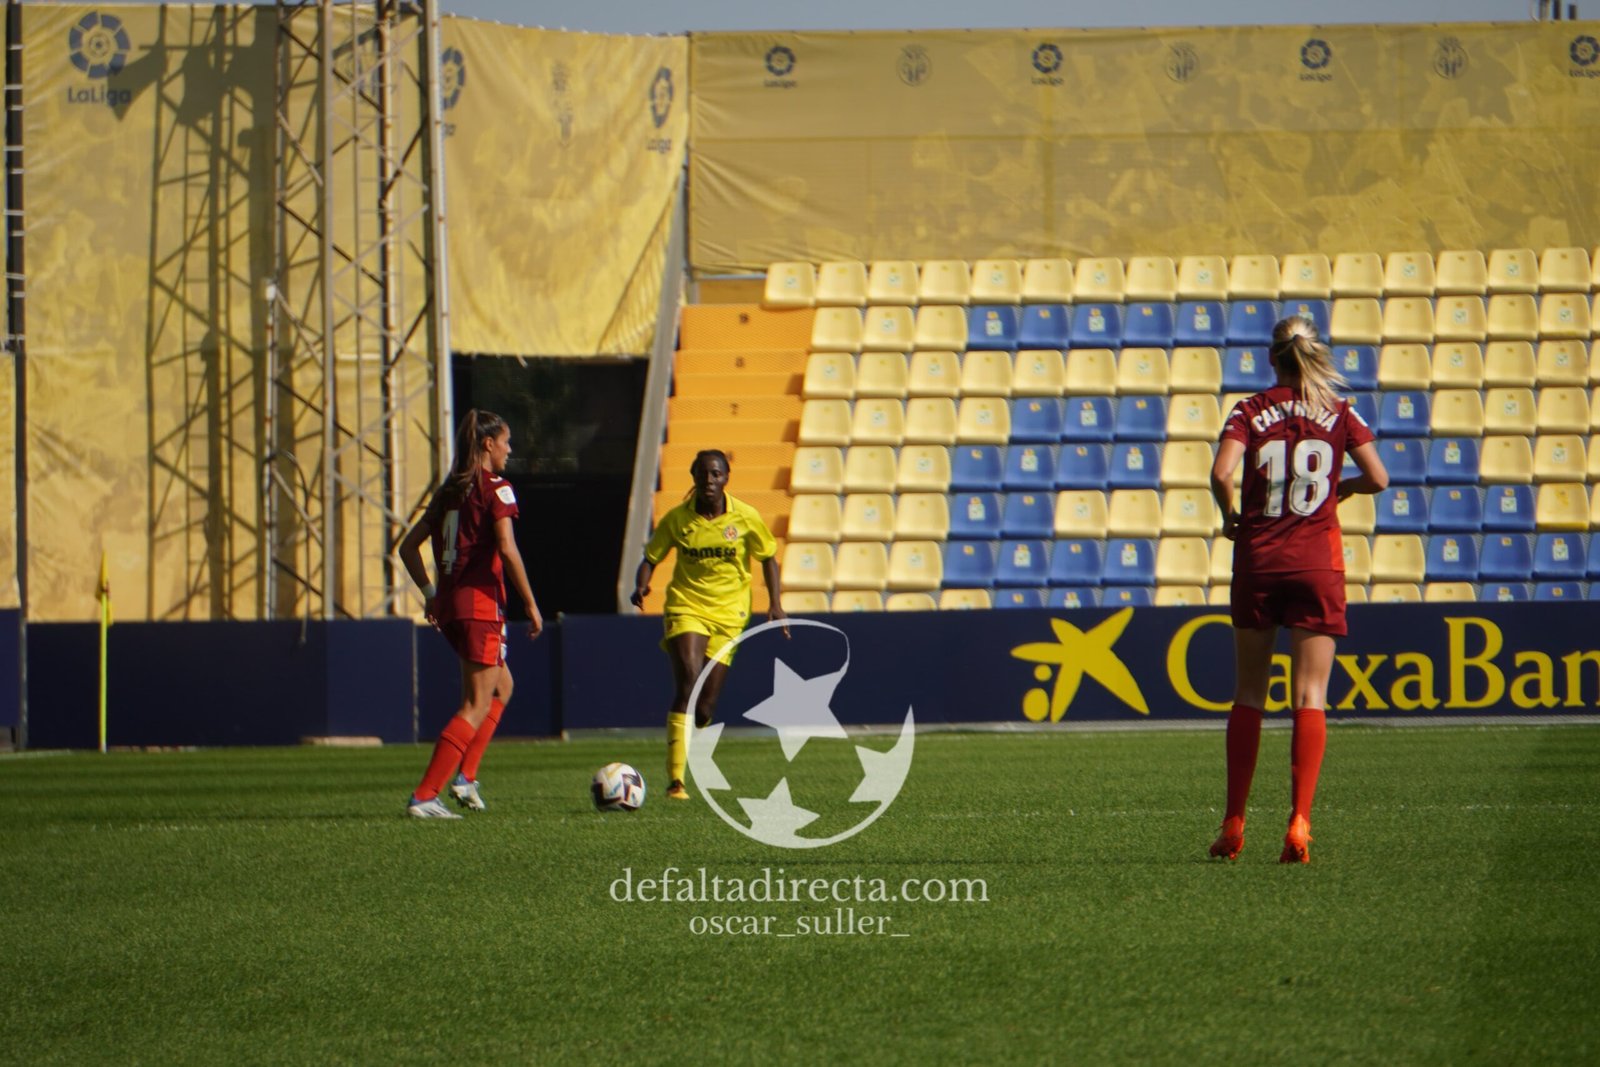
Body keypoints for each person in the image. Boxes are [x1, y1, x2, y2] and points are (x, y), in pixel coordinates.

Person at [1208, 315, 1388, 863]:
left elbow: (1220, 473)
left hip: (1259, 561)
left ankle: (1234, 821)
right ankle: (1300, 823)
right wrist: (1343, 489)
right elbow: (1380, 478)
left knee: (1248, 693)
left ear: (1272, 358)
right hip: (1317, 564)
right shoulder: (1340, 411)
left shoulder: (1249, 410)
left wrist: (1230, 516)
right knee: (1310, 696)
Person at [398, 409, 543, 819]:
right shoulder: (497, 489)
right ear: (488, 444)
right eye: (506, 442)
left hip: (451, 606)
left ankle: (466, 778)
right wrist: (531, 603)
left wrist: (430, 594)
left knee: (501, 689)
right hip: (480, 606)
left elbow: (407, 548)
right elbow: (507, 549)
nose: (509, 449)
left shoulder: (449, 491)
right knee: (476, 704)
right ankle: (425, 795)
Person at [630, 449, 787, 800]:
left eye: (716, 474)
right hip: (686, 606)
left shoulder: (745, 517)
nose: (709, 480)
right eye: (703, 474)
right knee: (689, 679)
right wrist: (642, 585)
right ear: (694, 477)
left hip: (729, 615)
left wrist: (775, 604)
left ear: (726, 478)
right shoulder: (677, 519)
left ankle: (696, 728)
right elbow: (651, 558)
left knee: (704, 709)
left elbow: (768, 557)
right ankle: (676, 780)